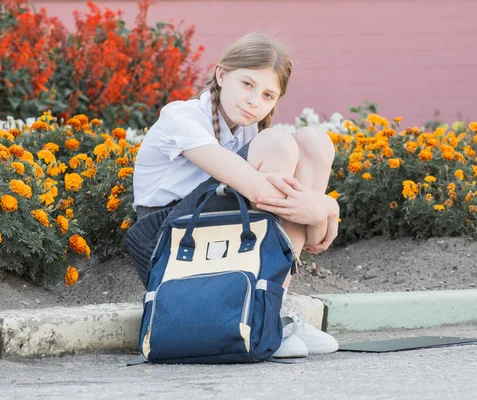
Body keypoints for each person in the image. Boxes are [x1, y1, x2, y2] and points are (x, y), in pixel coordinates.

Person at [130, 32, 340, 358]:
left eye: (268, 95)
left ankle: (271, 308)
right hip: (169, 243)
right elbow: (258, 191)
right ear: (221, 74)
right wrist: (324, 208)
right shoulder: (181, 117)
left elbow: (310, 235)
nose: (255, 100)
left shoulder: (247, 131)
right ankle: (267, 315)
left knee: (315, 141)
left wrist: (322, 211)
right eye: (247, 84)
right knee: (280, 142)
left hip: (217, 233)